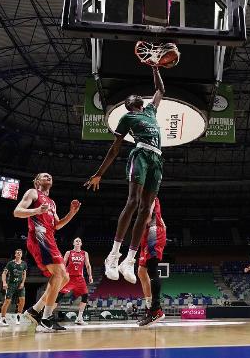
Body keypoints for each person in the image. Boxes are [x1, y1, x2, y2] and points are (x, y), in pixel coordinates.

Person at [84, 67, 165, 284]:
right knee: (133, 202)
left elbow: (160, 89)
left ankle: (129, 259)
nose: (135, 96)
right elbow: (115, 148)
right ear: (129, 105)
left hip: (157, 160)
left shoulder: (150, 111)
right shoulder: (127, 117)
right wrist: (99, 173)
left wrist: (155, 68)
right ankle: (113, 255)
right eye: (131, 97)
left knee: (146, 210)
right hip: (140, 155)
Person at [13, 172, 81, 332]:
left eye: (50, 176)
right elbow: (17, 212)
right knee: (58, 274)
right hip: (39, 237)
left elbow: (57, 225)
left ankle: (35, 310)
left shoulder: (52, 203)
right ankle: (46, 318)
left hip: (50, 238)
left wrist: (71, 213)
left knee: (64, 277)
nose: (49, 177)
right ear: (37, 181)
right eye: (44, 176)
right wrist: (36, 210)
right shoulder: (32, 193)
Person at [137, 197, 166, 326]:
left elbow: (148, 216)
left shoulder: (149, 194)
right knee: (141, 272)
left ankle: (156, 310)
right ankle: (150, 309)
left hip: (152, 231)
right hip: (148, 231)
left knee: (152, 269)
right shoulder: (143, 196)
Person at [53, 237, 93, 325]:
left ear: (81, 244)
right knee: (60, 295)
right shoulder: (69, 252)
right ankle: (48, 315)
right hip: (69, 277)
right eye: (76, 241)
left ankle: (79, 318)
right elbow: (63, 264)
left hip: (79, 278)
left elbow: (88, 265)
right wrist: (61, 275)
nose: (78, 242)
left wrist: (90, 276)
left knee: (85, 295)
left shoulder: (84, 253)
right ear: (73, 243)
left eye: (79, 241)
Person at [0, 249, 27, 326]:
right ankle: (2, 319)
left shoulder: (24, 264)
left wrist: (23, 283)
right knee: (7, 301)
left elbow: (24, 274)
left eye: (20, 253)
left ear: (21, 255)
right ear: (15, 254)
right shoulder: (10, 263)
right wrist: (4, 283)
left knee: (22, 300)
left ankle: (18, 315)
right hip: (11, 284)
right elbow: (4, 274)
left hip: (20, 284)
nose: (19, 254)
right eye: (17, 253)